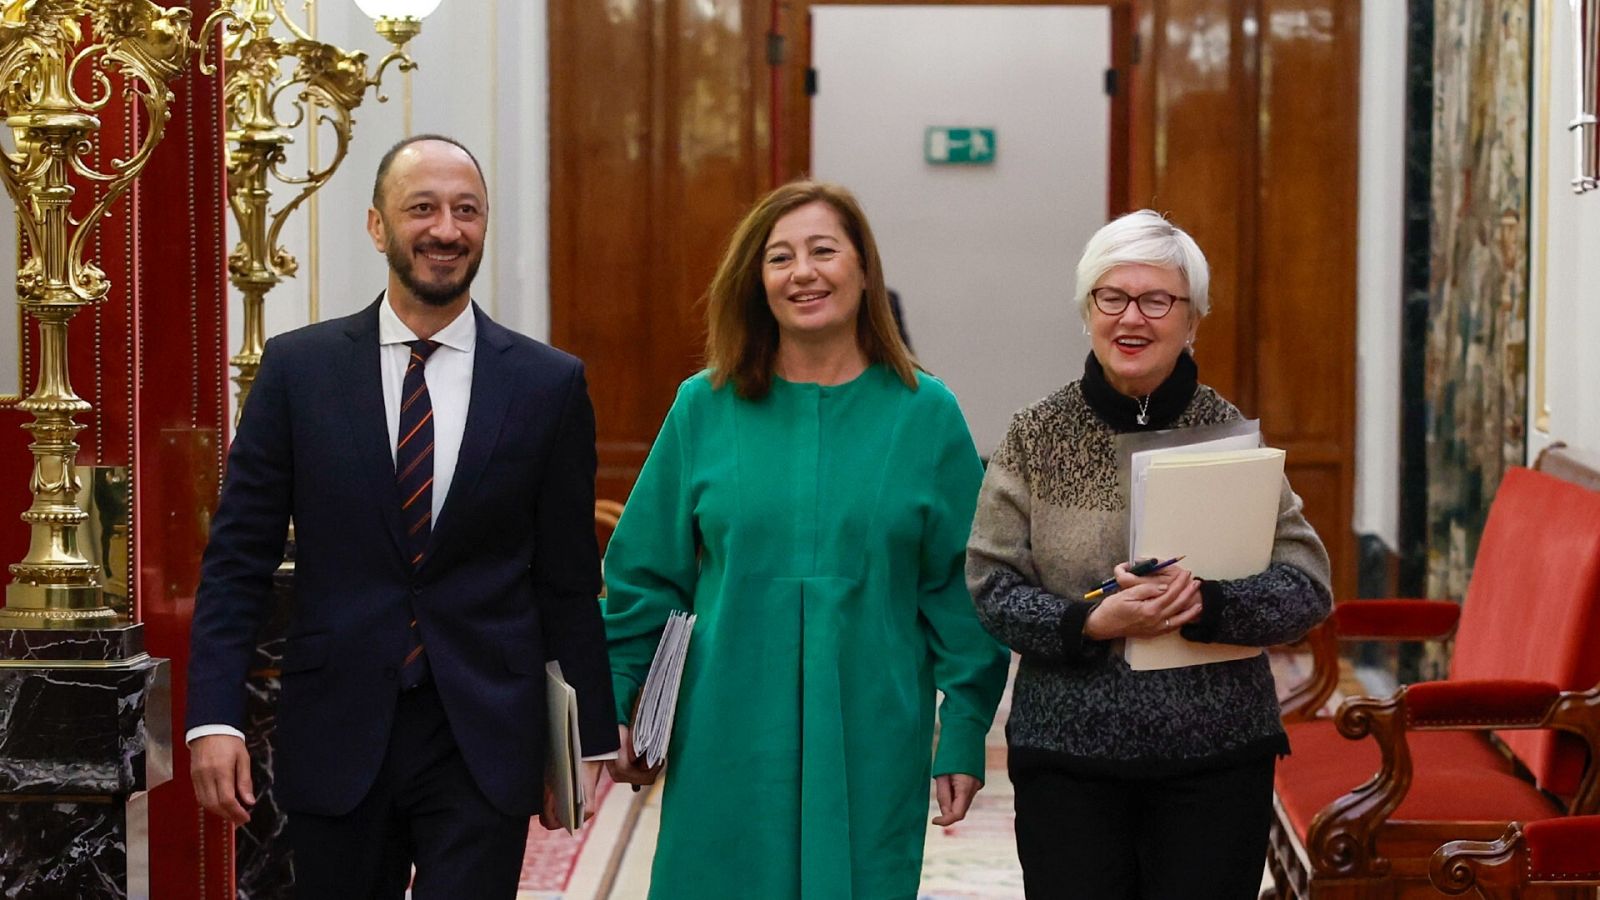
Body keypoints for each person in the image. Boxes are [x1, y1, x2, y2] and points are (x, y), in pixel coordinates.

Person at [185, 135, 618, 899]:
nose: (446, 229)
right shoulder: (298, 371)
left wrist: (580, 744)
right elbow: (237, 560)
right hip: (337, 725)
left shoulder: (548, 386)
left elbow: (567, 579)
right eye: (422, 208)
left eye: (466, 211)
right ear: (378, 227)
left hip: (483, 734)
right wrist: (212, 717)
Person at [602, 181, 1009, 899]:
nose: (803, 272)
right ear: (757, 283)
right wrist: (620, 697)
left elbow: (962, 592)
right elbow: (644, 576)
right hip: (724, 726)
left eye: (824, 251)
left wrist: (966, 727)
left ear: (862, 269)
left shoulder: (927, 414)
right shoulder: (704, 405)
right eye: (779, 258)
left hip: (871, 732)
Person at [966, 209, 1332, 899]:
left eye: (1157, 300)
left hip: (1217, 753)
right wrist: (1088, 623)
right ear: (1088, 311)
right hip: (1068, 754)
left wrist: (1211, 603)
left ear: (1191, 321)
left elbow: (1306, 588)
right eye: (1113, 297)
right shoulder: (1037, 435)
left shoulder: (1227, 433)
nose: (1132, 317)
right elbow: (990, 585)